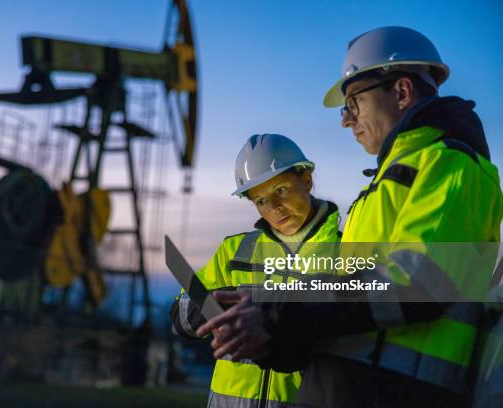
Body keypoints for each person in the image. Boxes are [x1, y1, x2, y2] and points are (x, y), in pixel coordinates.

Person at [196, 26, 503, 407]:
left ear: (402, 92)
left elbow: (415, 282)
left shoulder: (454, 166)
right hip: (347, 390)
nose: (346, 119)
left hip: (395, 395)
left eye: (353, 102)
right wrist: (279, 346)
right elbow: (349, 309)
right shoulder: (382, 187)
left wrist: (275, 313)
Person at [170, 133, 341, 408]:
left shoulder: (344, 254)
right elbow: (180, 318)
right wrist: (217, 307)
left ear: (306, 180)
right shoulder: (235, 252)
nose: (274, 208)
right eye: (261, 200)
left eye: (281, 190)